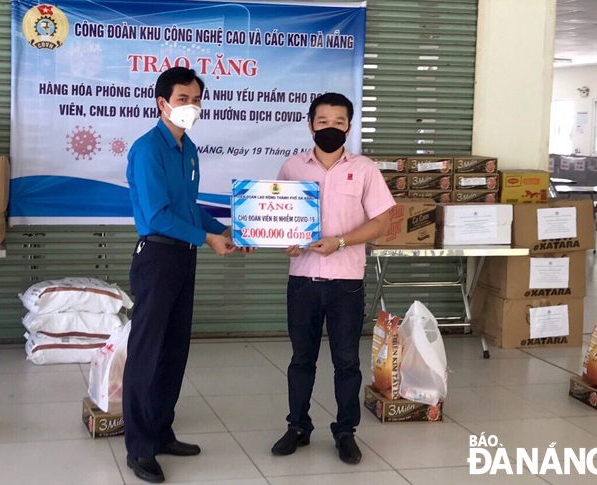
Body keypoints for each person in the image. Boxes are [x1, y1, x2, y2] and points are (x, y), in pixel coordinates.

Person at [124, 67, 243, 483]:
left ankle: (161, 431)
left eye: (196, 100)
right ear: (162, 103)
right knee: (146, 353)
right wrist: (208, 239)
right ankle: (139, 449)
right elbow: (158, 217)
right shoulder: (147, 150)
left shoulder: (188, 149)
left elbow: (188, 207)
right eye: (182, 99)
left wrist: (224, 230)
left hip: (184, 257)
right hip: (156, 257)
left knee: (174, 350)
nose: (191, 107)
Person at [272, 93, 395, 465]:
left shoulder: (365, 169)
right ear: (310, 125)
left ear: (349, 127)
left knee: (346, 362)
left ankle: (345, 431)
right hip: (303, 281)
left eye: (338, 122)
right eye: (322, 121)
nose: (330, 128)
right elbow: (279, 218)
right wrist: (286, 244)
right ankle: (298, 427)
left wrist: (341, 241)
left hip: (346, 282)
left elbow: (382, 222)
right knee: (301, 360)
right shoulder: (292, 167)